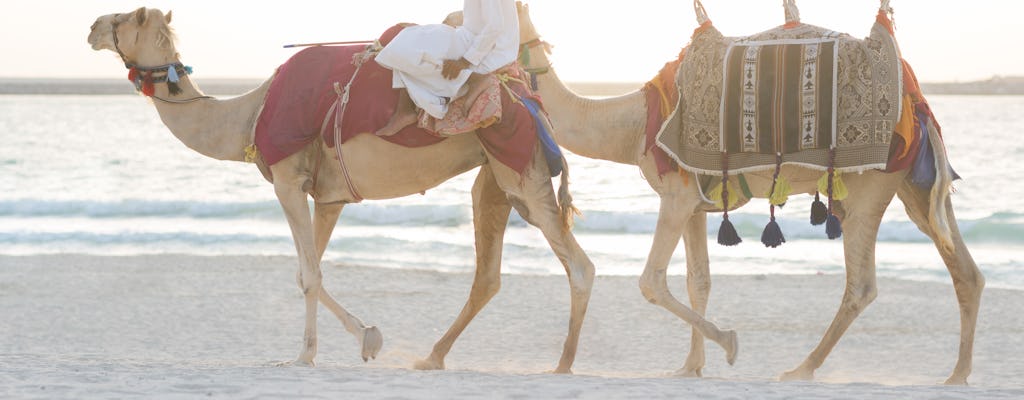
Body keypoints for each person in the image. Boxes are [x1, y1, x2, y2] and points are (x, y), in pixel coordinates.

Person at [373, 0, 520, 137]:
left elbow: (495, 26)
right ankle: (404, 111)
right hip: (473, 39)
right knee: (411, 36)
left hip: (489, 50)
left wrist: (465, 61)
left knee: (408, 44)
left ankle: (475, 79)